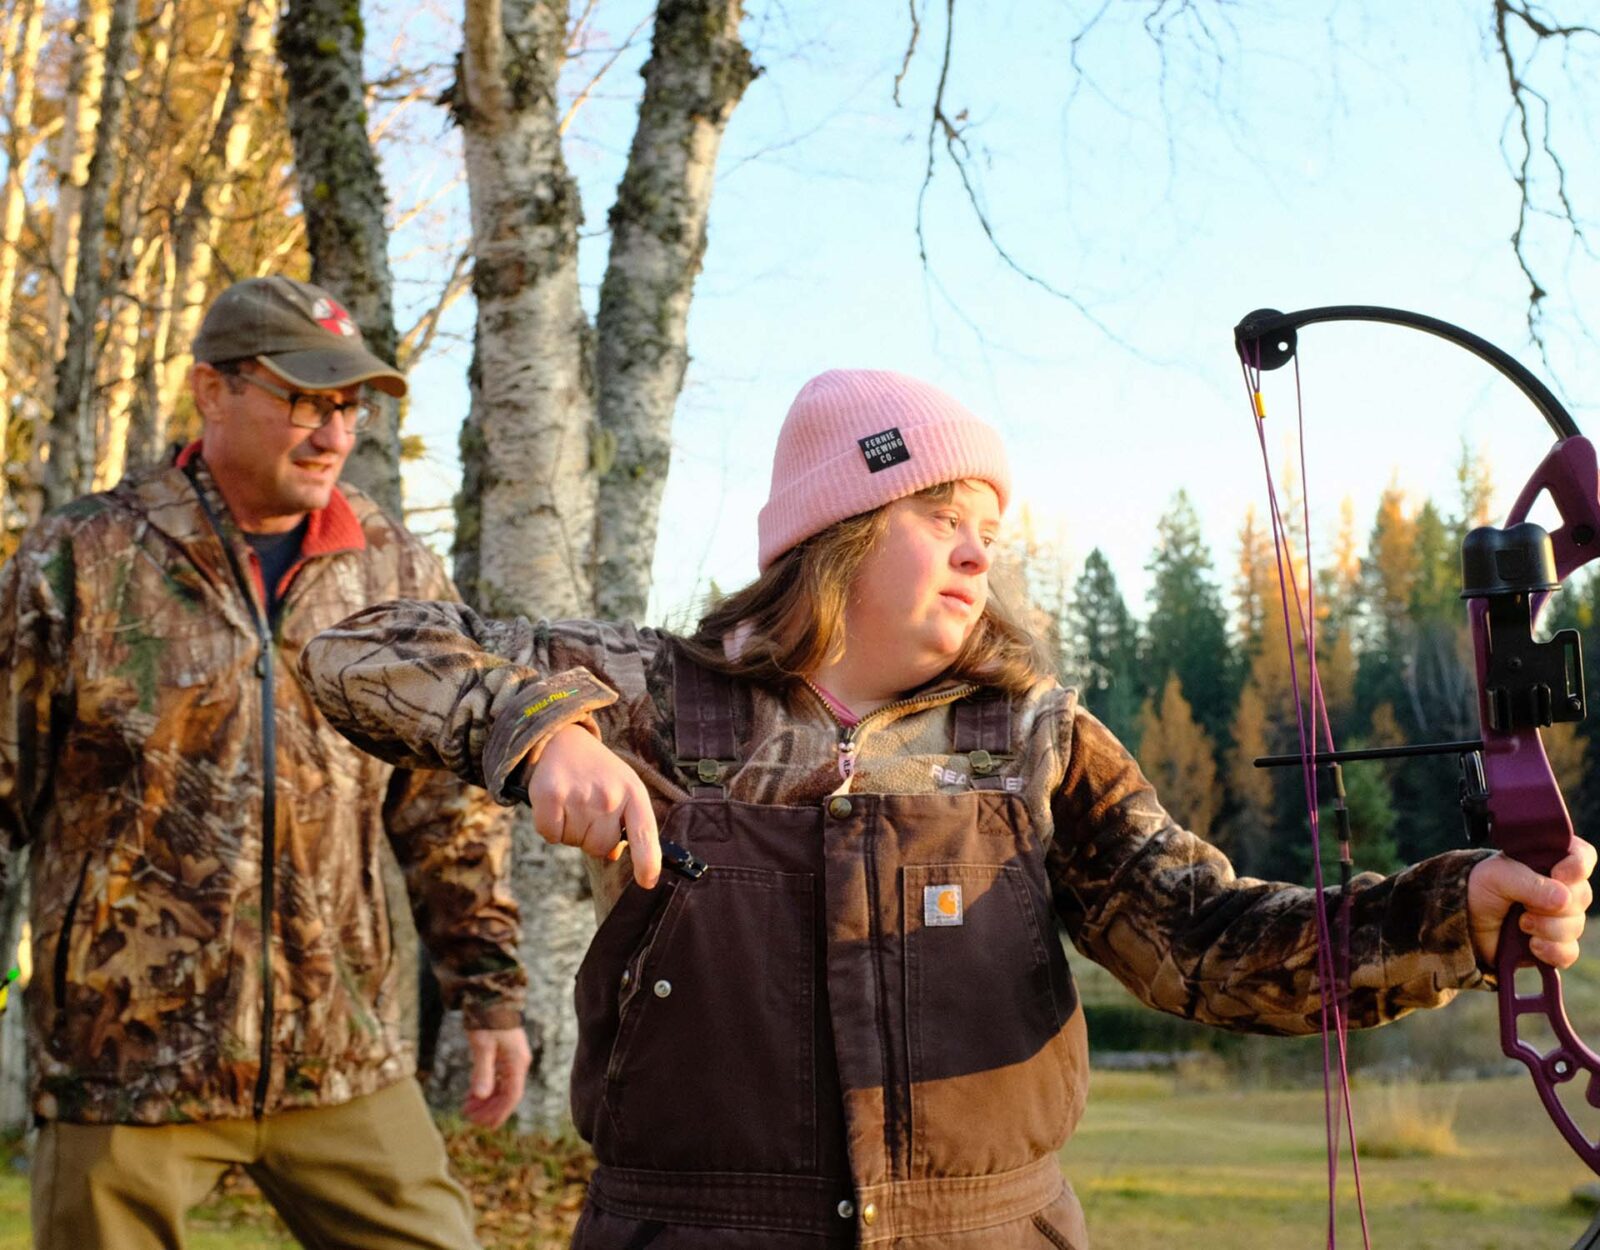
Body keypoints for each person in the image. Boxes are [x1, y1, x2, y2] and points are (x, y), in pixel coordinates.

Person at [298, 368, 1593, 1249]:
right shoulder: (656, 696)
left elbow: (1205, 942)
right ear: (837, 532)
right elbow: (355, 645)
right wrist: (538, 734)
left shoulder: (1035, 738)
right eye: (937, 512)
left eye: (989, 524)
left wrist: (1455, 913)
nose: (979, 548)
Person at [0, 276, 531, 1250]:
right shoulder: (79, 559)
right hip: (124, 1067)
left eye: (348, 405)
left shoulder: (396, 572)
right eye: (304, 400)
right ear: (212, 389)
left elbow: (445, 807)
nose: (333, 433)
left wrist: (489, 988)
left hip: (340, 1055)